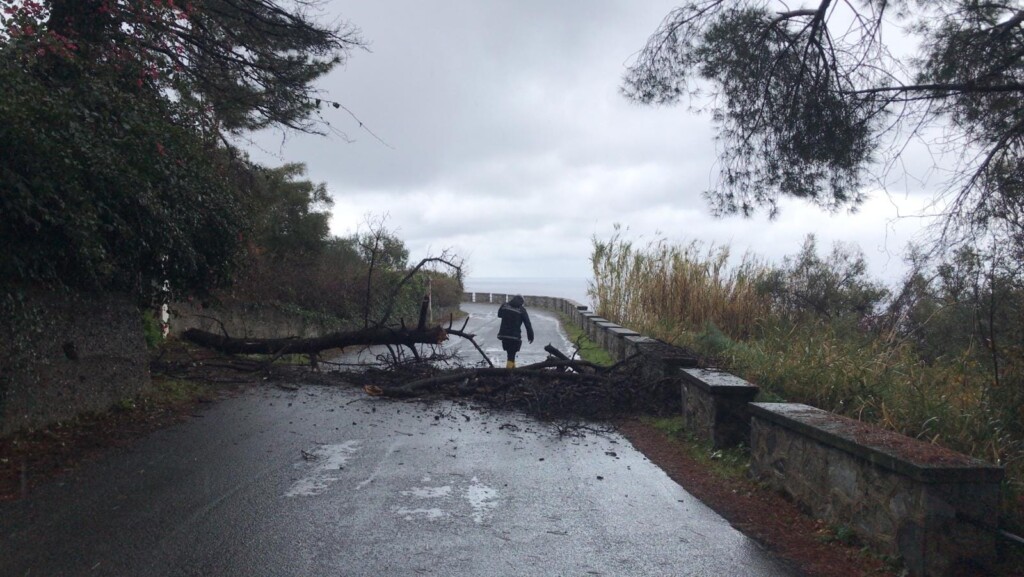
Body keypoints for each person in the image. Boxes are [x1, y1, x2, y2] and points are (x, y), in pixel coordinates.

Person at [497, 294, 534, 368]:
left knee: (510, 355)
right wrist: (530, 336)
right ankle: (508, 374)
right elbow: (527, 324)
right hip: (514, 336)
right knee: (511, 355)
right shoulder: (521, 310)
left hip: (503, 335)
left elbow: (499, 315)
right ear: (521, 302)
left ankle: (513, 372)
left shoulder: (504, 306)